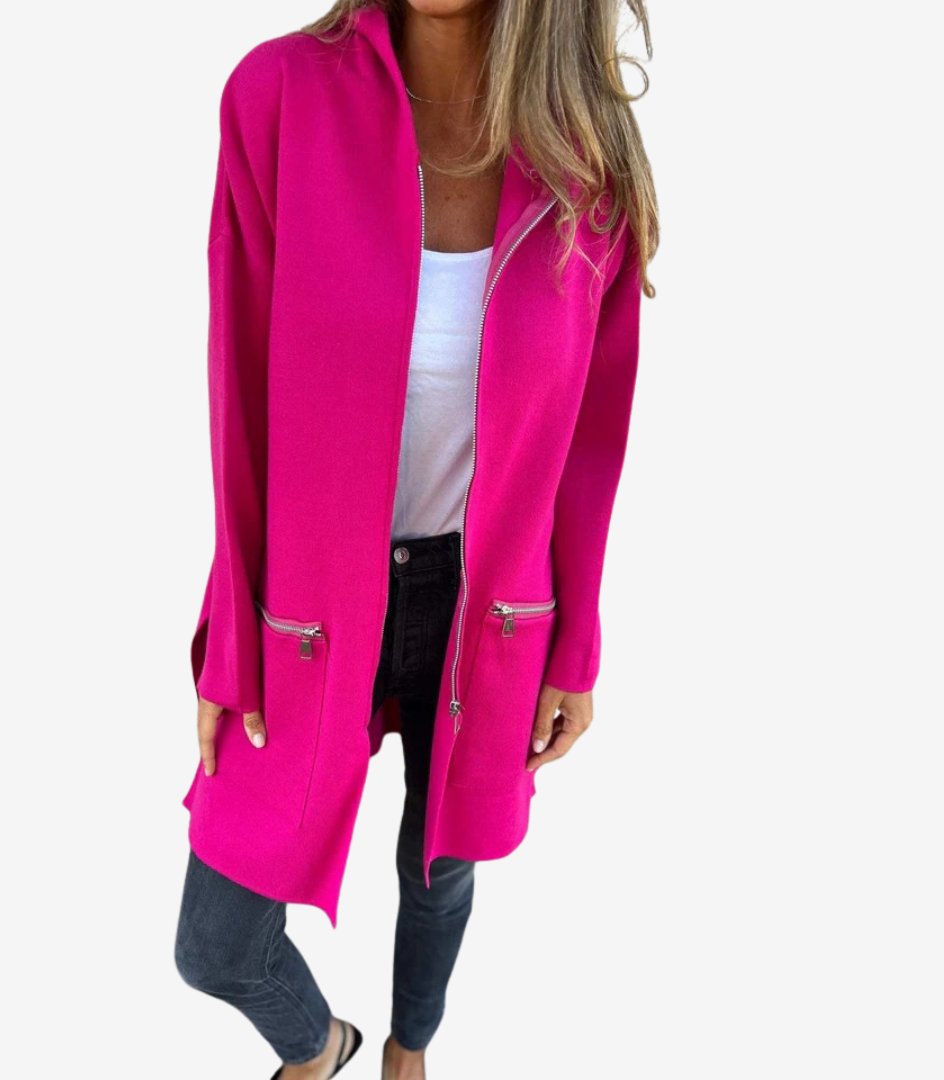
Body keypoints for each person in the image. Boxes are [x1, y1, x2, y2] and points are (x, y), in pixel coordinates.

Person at [173, 1, 657, 1077]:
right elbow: (237, 400)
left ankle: (411, 1047)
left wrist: (575, 647)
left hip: (488, 603)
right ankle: (321, 1044)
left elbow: (592, 439)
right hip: (308, 603)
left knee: (439, 867)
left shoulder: (588, 154)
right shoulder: (278, 98)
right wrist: (229, 636)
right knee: (216, 943)